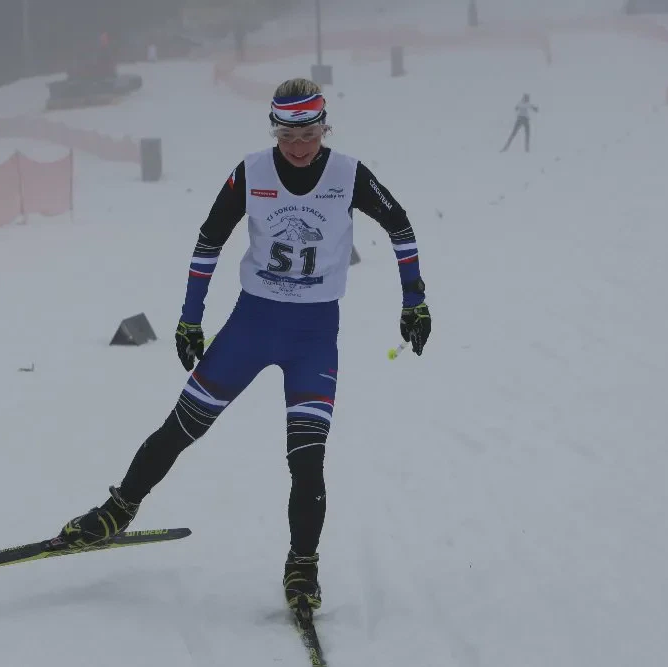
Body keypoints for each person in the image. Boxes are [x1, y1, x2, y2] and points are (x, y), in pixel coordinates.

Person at [53, 77, 431, 615]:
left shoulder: (349, 175)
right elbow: (209, 240)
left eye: (309, 135)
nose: (298, 148)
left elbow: (401, 226)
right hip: (251, 327)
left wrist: (414, 301)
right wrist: (190, 318)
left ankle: (302, 565)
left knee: (307, 461)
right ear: (273, 131)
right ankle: (117, 510)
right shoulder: (251, 172)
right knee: (181, 428)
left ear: (325, 128)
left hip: (314, 338)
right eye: (286, 136)